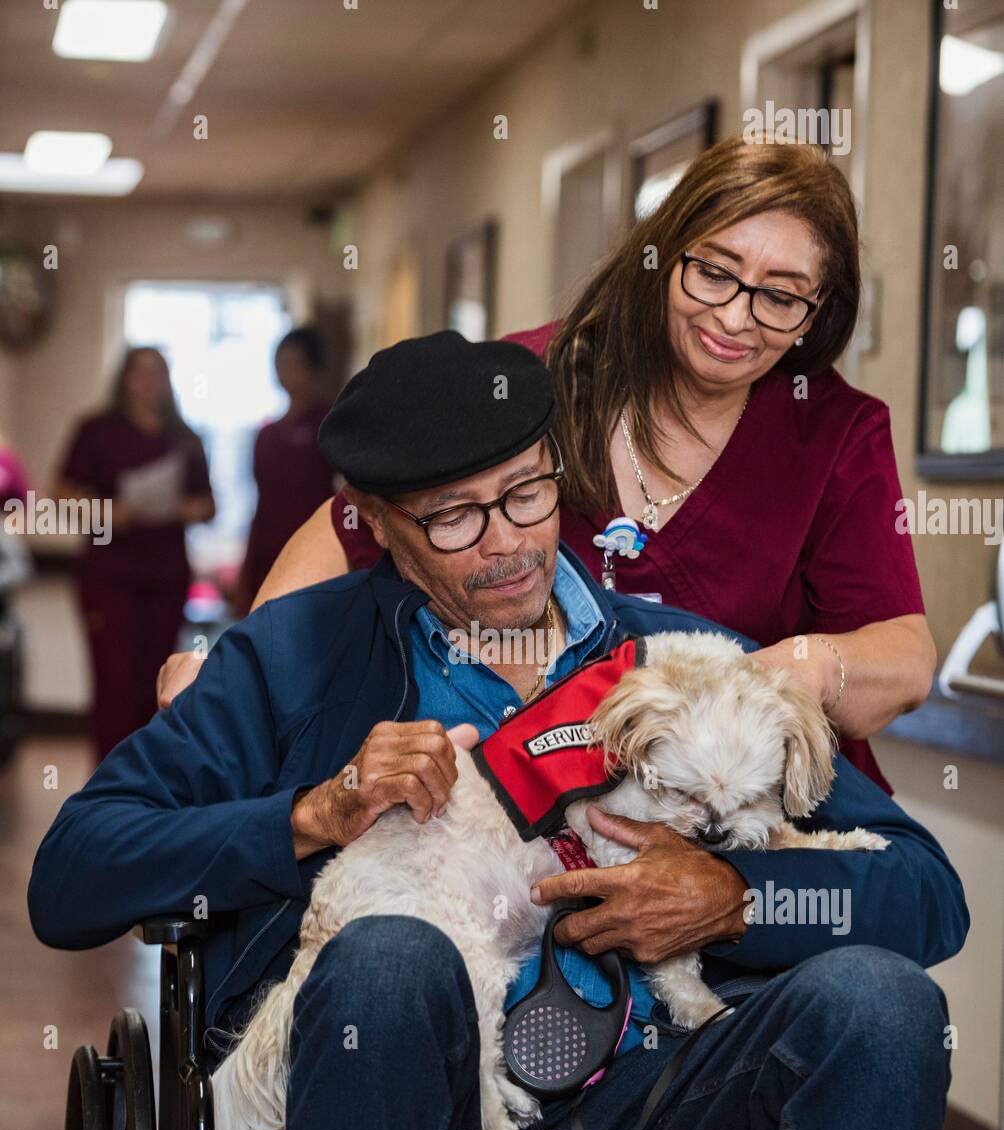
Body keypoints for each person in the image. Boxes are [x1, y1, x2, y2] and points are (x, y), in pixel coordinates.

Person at [29, 332, 968, 1130]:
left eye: (526, 492)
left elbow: (927, 897)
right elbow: (72, 877)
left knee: (881, 1002)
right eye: (451, 518)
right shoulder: (289, 661)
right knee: (390, 955)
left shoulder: (681, 663)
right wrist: (311, 813)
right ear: (375, 523)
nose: (506, 541)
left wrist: (738, 900)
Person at [162, 136, 933, 794]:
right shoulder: (536, 378)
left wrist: (803, 668)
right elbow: (356, 524)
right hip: (523, 790)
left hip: (737, 802)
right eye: (716, 272)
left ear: (819, 311)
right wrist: (228, 672)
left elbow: (905, 657)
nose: (736, 317)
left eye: (781, 296)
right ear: (664, 253)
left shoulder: (835, 430)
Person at [54, 346, 215, 760]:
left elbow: (209, 504)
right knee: (114, 683)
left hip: (165, 577)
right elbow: (59, 497)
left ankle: (146, 787)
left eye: (158, 373)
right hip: (109, 576)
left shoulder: (184, 437)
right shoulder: (96, 431)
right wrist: (108, 511)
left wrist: (183, 508)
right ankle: (106, 788)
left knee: (157, 683)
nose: (149, 382)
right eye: (139, 373)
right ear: (123, 379)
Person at [234, 327, 335, 616]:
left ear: (313, 367)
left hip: (316, 553)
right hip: (267, 551)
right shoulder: (267, 435)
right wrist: (245, 573)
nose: (287, 371)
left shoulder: (329, 425)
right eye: (281, 362)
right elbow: (260, 505)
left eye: (296, 362)